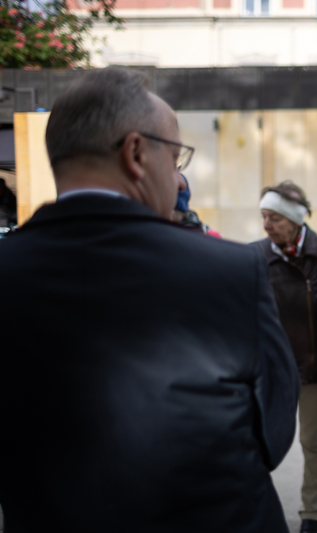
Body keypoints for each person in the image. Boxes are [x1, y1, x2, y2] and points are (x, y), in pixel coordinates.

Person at [0, 68, 299, 533]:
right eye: (176, 158)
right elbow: (273, 431)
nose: (179, 181)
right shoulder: (231, 271)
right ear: (136, 153)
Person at [251, 181, 317, 533]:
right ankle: (256, 507)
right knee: (259, 440)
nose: (267, 225)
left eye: (274, 218)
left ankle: (312, 513)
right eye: (263, 216)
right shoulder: (256, 255)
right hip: (271, 370)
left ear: (294, 219)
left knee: (315, 444)